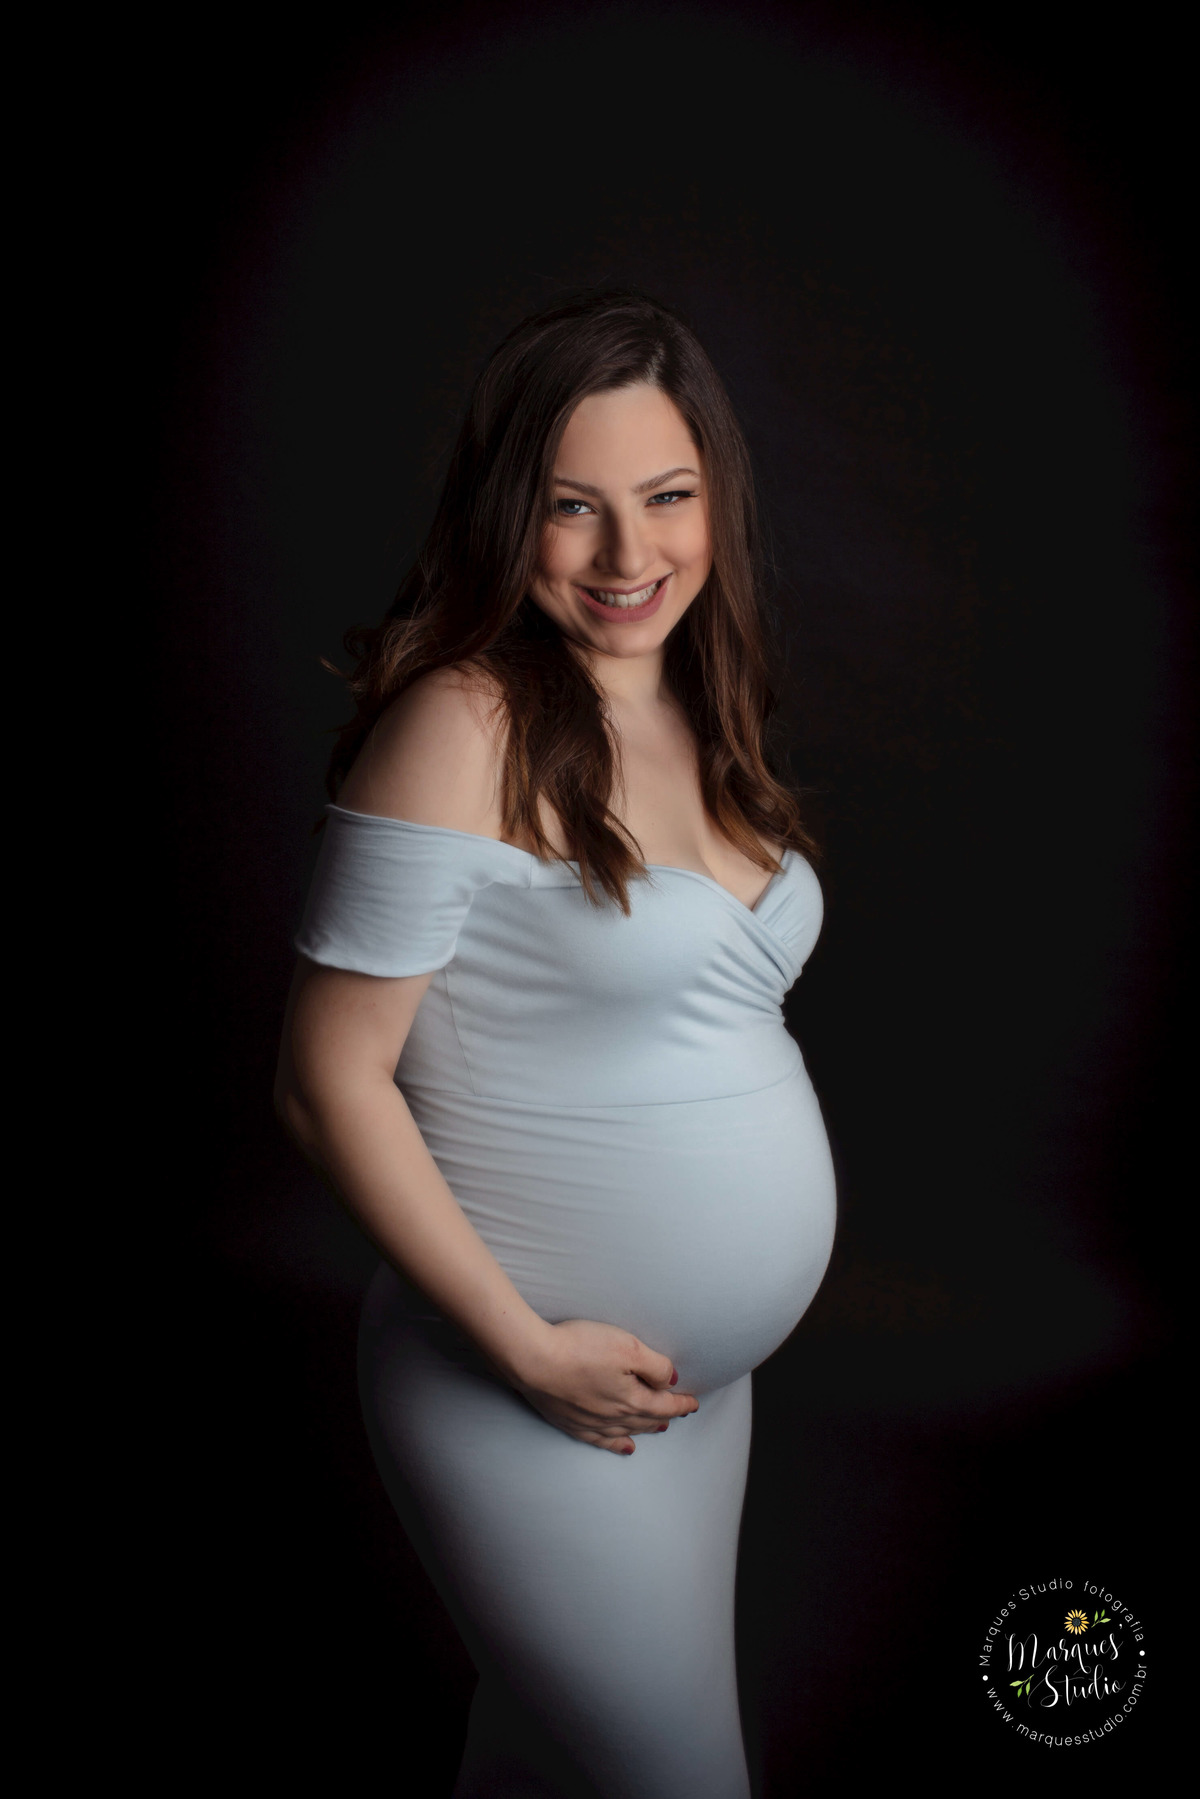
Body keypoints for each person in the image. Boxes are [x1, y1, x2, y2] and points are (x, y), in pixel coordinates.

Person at [275, 290, 837, 1798]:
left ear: (716, 499)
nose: (626, 554)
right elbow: (325, 1079)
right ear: (506, 513)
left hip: (685, 1391)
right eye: (572, 507)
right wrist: (525, 1351)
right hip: (522, 1386)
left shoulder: (694, 703)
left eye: (667, 497)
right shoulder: (459, 727)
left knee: (541, 1767)